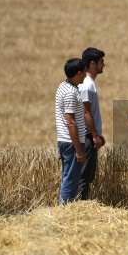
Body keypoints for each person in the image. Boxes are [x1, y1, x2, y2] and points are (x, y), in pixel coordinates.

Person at [55, 58, 88, 204]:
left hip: (65, 141)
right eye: (84, 73)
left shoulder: (63, 86)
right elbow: (71, 122)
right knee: (71, 181)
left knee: (67, 177)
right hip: (71, 142)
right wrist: (79, 149)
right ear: (79, 73)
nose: (86, 76)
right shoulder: (70, 92)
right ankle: (64, 211)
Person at [77, 47, 106, 200]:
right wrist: (95, 136)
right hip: (88, 136)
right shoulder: (88, 84)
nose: (104, 65)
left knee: (86, 176)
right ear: (93, 64)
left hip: (89, 135)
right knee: (84, 177)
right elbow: (85, 112)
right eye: (102, 62)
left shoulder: (88, 83)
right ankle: (80, 207)